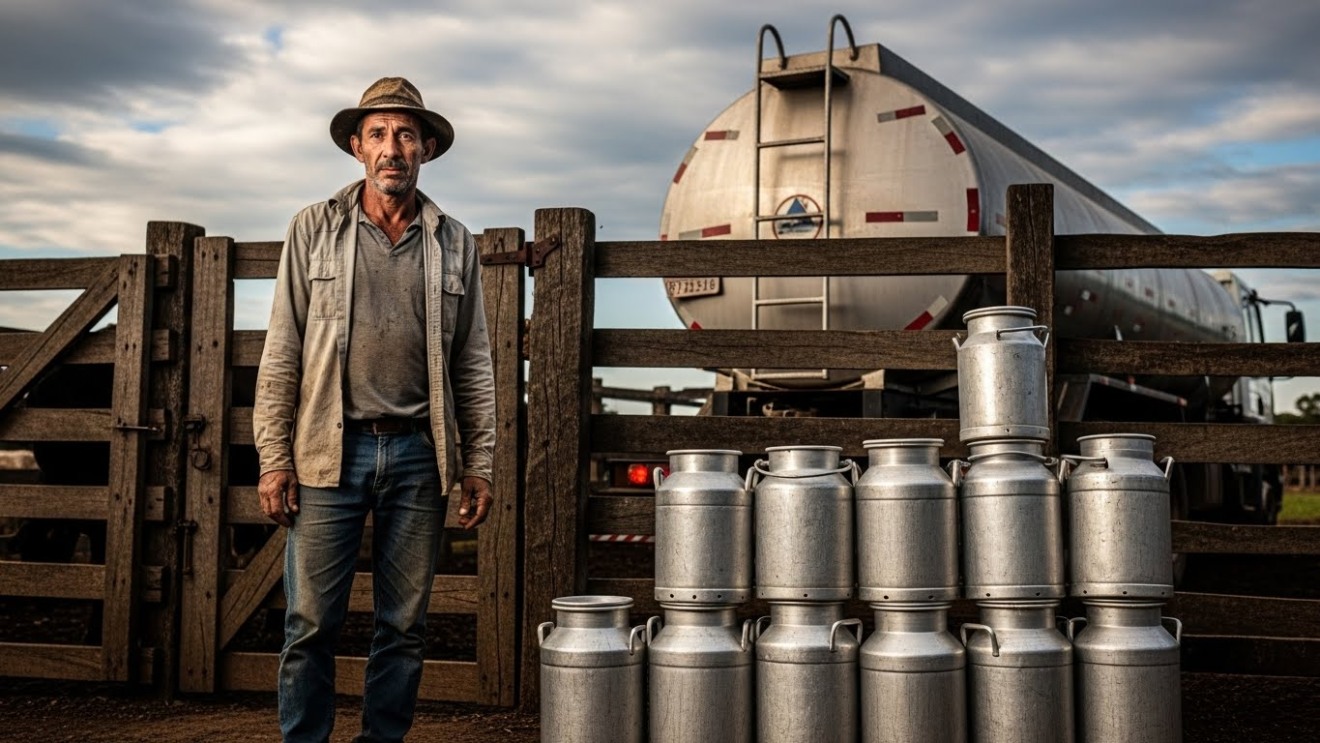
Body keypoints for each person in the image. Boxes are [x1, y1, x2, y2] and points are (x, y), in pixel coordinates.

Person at [253, 76, 496, 743]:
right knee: (310, 623)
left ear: (427, 149)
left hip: (419, 454)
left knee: (404, 626)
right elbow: (282, 350)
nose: (393, 148)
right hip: (329, 451)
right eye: (379, 134)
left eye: (407, 135)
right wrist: (274, 457)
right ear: (357, 147)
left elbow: (473, 361)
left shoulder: (454, 242)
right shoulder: (314, 228)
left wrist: (479, 462)